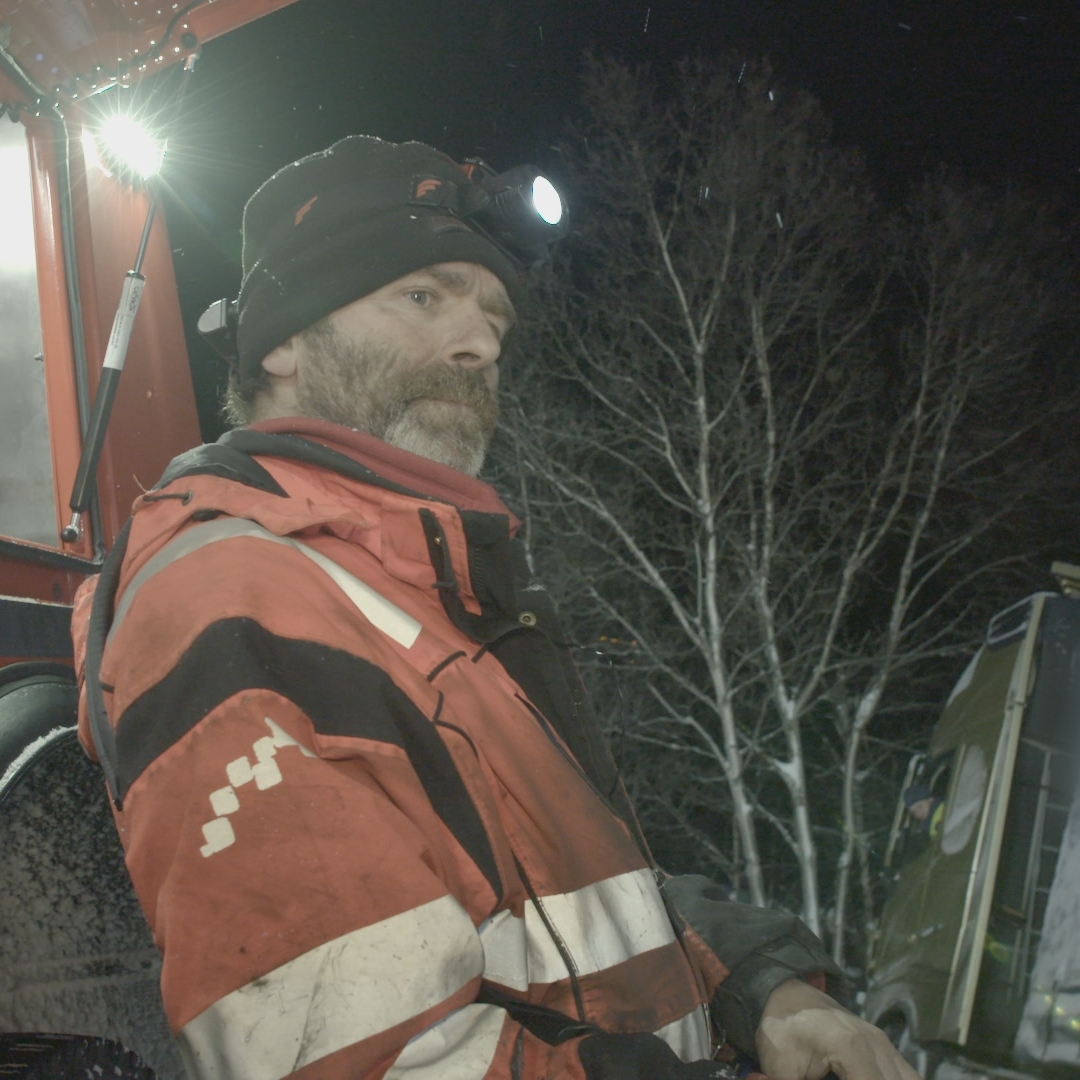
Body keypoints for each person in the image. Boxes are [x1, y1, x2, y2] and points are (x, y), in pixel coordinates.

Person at [72, 136, 919, 1080]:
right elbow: (365, 1060)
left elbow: (582, 899)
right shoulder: (235, 597)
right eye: (423, 298)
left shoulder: (420, 597)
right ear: (283, 340)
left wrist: (764, 992)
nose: (479, 346)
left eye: (494, 322)